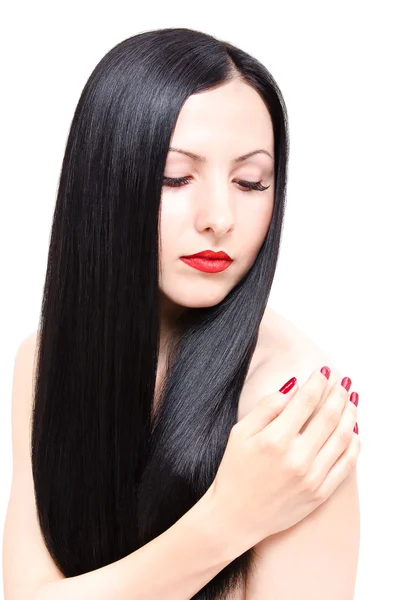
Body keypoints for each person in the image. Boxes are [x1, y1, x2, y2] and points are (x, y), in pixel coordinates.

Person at [3, 27, 360, 600]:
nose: (218, 216)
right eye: (176, 176)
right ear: (106, 180)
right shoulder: (43, 360)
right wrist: (225, 523)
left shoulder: (291, 406)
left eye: (250, 181)